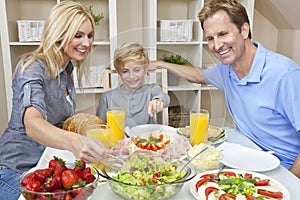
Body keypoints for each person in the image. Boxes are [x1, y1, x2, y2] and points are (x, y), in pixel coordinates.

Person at [150, 0, 300, 177]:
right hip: (248, 157)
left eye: (223, 34)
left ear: (244, 30)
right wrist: (161, 64)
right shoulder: (226, 70)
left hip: (284, 169)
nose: (217, 45)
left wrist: (291, 182)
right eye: (210, 38)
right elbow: (199, 75)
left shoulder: (285, 75)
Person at [0, 1, 107, 198]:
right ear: (59, 33)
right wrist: (75, 141)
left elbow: (59, 119)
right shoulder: (31, 67)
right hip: (14, 172)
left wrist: (101, 107)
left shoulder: (66, 70)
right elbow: (33, 124)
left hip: (44, 167)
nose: (87, 43)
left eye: (90, 35)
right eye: (78, 35)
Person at [96, 42, 170, 128]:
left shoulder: (152, 90)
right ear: (118, 72)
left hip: (147, 139)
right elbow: (100, 127)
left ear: (145, 69)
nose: (131, 76)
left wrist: (158, 100)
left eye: (137, 70)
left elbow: (165, 98)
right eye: (125, 71)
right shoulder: (107, 98)